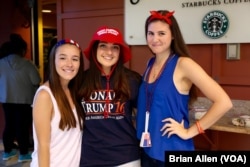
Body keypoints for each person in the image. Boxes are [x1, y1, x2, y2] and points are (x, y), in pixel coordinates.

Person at [136, 10, 233, 166]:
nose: (155, 39)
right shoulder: (150, 63)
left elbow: (224, 102)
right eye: (150, 33)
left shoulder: (184, 64)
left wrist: (190, 131)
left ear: (173, 35)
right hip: (147, 149)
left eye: (161, 33)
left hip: (171, 150)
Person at [79, 26, 142, 166]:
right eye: (103, 46)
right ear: (94, 49)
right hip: (89, 157)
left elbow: (145, 116)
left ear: (120, 52)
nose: (109, 52)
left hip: (126, 157)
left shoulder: (132, 80)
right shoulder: (80, 80)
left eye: (115, 47)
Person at [30, 39, 85, 167]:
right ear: (53, 61)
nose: (69, 64)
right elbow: (43, 145)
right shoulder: (45, 95)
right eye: (63, 58)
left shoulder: (73, 91)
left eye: (75, 59)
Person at [0, 33, 41, 162]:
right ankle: (23, 153)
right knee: (23, 126)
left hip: (7, 99)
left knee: (9, 125)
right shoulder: (28, 64)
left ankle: (7, 151)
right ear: (21, 50)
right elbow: (36, 80)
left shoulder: (1, 63)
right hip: (25, 100)